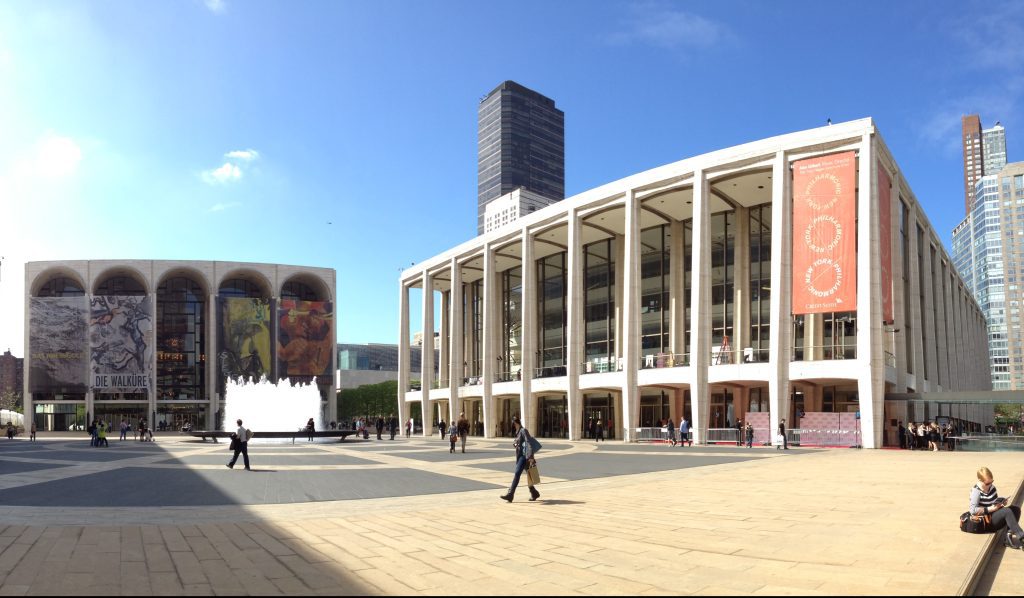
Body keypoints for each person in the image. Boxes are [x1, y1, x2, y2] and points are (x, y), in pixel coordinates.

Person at [970, 466, 1024, 549]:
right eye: (987, 483)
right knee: (1006, 511)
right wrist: (991, 509)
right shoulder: (976, 491)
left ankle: (1008, 537)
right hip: (985, 521)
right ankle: (1022, 537)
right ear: (980, 481)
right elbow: (973, 510)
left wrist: (1001, 504)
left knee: (1015, 509)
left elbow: (995, 503)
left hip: (994, 516)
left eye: (992, 482)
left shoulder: (992, 488)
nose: (990, 485)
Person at [500, 416, 540, 503]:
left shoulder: (523, 430)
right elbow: (519, 442)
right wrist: (515, 444)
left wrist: (531, 457)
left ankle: (510, 494)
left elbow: (529, 443)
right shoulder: (518, 432)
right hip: (522, 456)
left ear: (515, 423)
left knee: (517, 473)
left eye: (513, 423)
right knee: (529, 475)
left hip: (524, 456)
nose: (513, 425)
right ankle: (534, 493)